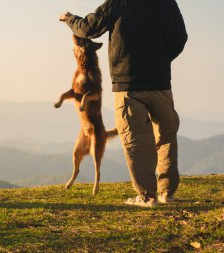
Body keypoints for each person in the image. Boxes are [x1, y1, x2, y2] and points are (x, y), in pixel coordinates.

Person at [60, 0, 188, 207]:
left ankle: (147, 197)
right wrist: (161, 60)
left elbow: (89, 28)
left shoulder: (119, 2)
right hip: (161, 84)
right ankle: (167, 193)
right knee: (166, 137)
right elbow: (180, 38)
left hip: (128, 86)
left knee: (135, 141)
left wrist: (69, 19)